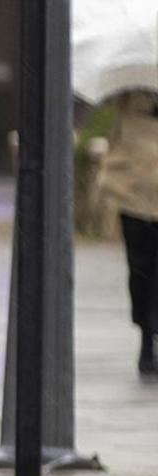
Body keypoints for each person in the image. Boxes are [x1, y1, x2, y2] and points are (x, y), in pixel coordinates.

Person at [99, 91, 158, 376]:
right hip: (133, 196)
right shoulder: (129, 95)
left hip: (139, 192)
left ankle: (152, 334)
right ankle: (147, 335)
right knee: (140, 268)